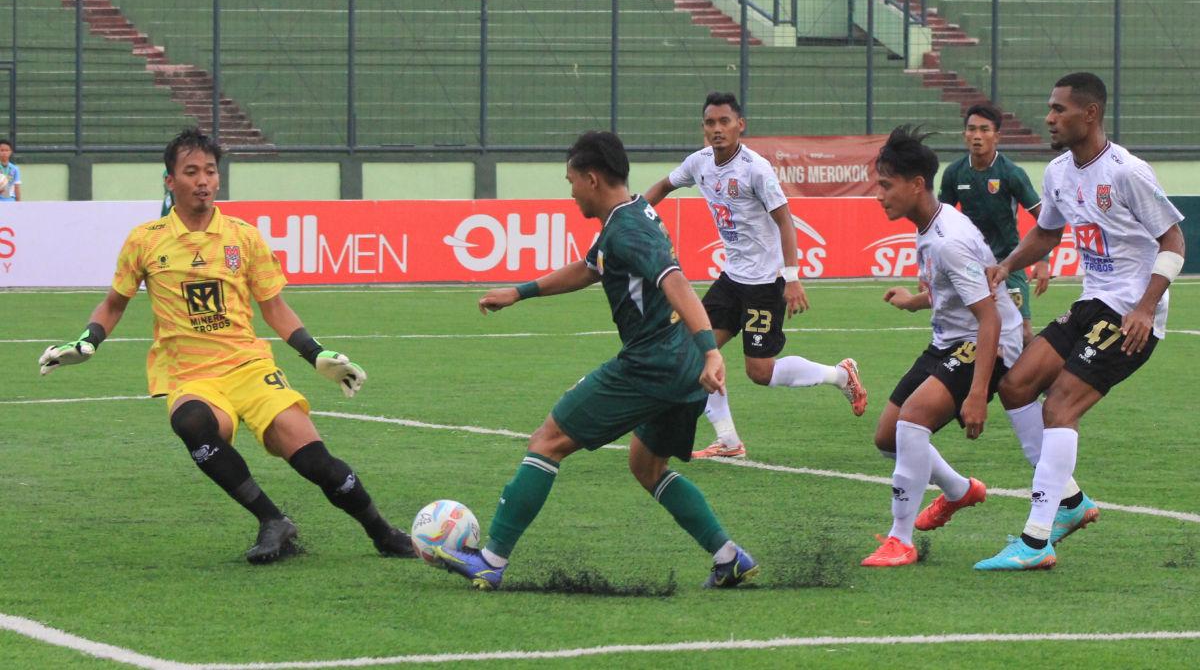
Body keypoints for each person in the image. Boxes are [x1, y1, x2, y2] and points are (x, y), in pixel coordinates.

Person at [37, 128, 416, 564]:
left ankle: (382, 532)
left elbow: (274, 308)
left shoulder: (243, 236)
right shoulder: (145, 240)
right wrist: (89, 340)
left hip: (248, 367)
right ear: (170, 181)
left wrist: (317, 354)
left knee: (315, 462)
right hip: (190, 374)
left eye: (210, 171)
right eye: (191, 171)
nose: (203, 180)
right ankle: (273, 519)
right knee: (193, 423)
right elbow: (113, 304)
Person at [434, 130, 758, 590]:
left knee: (548, 440)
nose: (569, 192)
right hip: (678, 361)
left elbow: (676, 283)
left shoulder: (627, 227)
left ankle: (490, 559)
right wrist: (520, 292)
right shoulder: (632, 216)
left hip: (654, 361)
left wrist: (711, 348)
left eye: (570, 181)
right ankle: (730, 557)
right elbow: (590, 268)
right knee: (647, 466)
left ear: (591, 178)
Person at [976, 73, 1185, 571]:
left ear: (1089, 114)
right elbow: (1047, 234)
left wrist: (1143, 307)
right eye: (1049, 109)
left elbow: (1174, 243)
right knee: (1015, 387)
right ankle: (1071, 505)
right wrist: (1007, 264)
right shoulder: (1057, 173)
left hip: (1132, 313)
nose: (1049, 118)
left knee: (1060, 408)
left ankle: (1035, 541)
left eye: (1058, 109)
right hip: (1094, 302)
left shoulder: (1128, 172)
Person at [643, 92, 867, 460]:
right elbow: (664, 186)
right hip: (732, 279)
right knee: (698, 351)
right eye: (711, 123)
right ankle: (729, 441)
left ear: (739, 125)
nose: (717, 129)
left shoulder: (755, 169)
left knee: (759, 372)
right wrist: (635, 215)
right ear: (704, 128)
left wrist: (792, 277)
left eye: (724, 122)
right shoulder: (698, 163)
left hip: (765, 283)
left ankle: (841, 375)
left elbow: (785, 220)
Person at [863, 126, 1024, 567]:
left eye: (886, 185)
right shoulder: (928, 225)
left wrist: (977, 394)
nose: (879, 194)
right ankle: (958, 490)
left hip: (985, 340)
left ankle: (900, 539)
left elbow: (989, 316)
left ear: (917, 185)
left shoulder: (949, 240)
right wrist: (916, 302)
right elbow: (952, 291)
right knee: (886, 438)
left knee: (912, 421)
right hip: (950, 340)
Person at [939, 103, 1049, 345]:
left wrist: (1042, 260)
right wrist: (928, 269)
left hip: (1009, 262)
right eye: (972, 129)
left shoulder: (1011, 173)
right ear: (964, 134)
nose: (977, 136)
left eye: (984, 130)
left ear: (997, 136)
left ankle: (1046, 382)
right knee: (971, 336)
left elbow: (1044, 217)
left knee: (1023, 333)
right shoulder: (955, 173)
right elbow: (939, 221)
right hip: (971, 265)